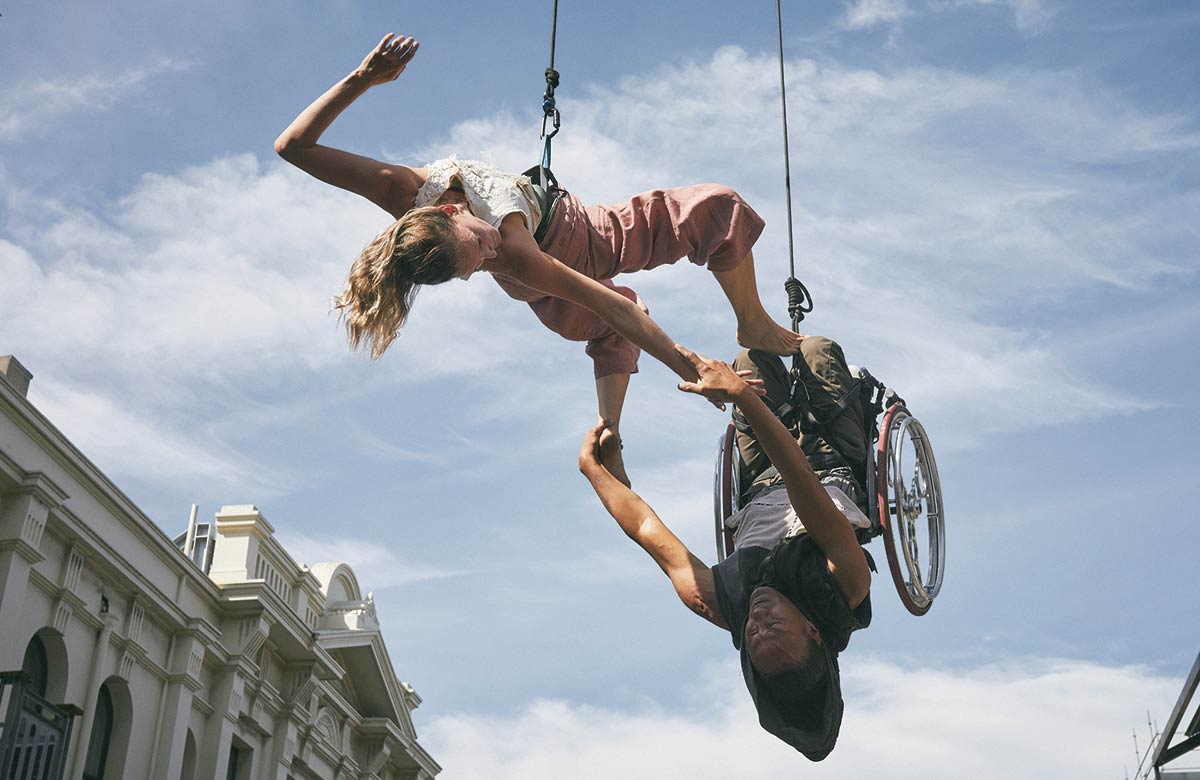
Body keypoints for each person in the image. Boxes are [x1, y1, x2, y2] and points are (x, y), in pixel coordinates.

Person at [275, 33, 802, 483]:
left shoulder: (399, 189)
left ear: (453, 209)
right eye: (474, 268)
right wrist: (688, 367)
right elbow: (617, 310)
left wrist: (363, 78)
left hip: (543, 290)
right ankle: (751, 324)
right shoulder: (513, 255)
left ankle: (608, 431)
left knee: (611, 328)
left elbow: (293, 147)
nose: (488, 257)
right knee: (714, 209)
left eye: (478, 246)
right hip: (577, 241)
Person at [578, 338, 873, 760]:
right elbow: (801, 481)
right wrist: (738, 394)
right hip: (826, 461)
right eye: (773, 628)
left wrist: (596, 474)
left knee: (751, 357)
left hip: (758, 479)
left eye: (752, 637)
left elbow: (646, 529)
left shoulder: (720, 603)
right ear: (814, 632)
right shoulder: (844, 584)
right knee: (816, 351)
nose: (757, 620)